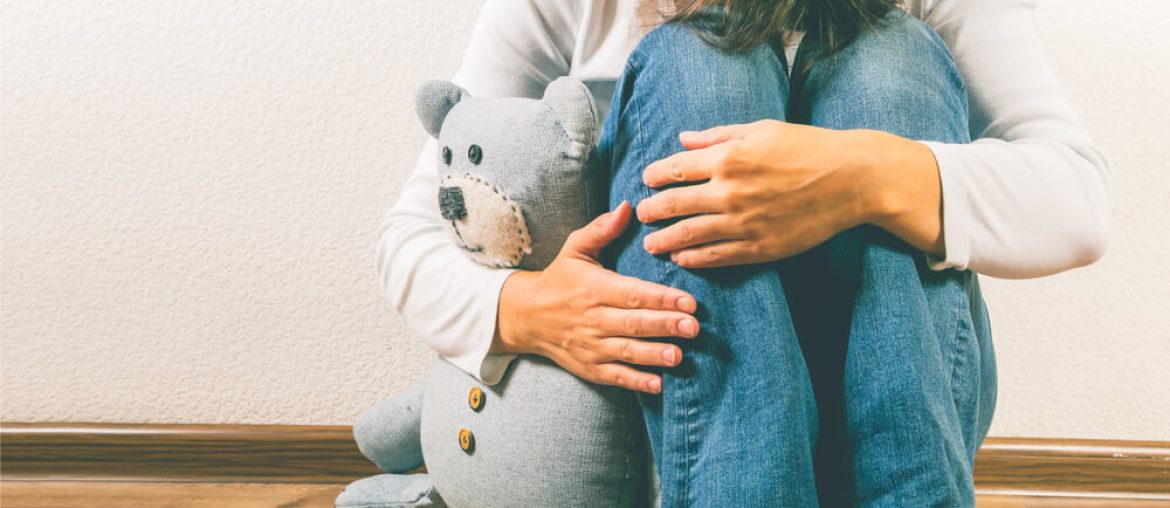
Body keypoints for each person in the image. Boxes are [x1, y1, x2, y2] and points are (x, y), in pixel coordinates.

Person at [376, 0, 1109, 505]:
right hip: (682, 433)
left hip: (895, 405)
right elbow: (409, 240)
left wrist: (867, 177)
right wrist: (535, 309)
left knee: (892, 59)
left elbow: (1079, 201)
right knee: (699, 61)